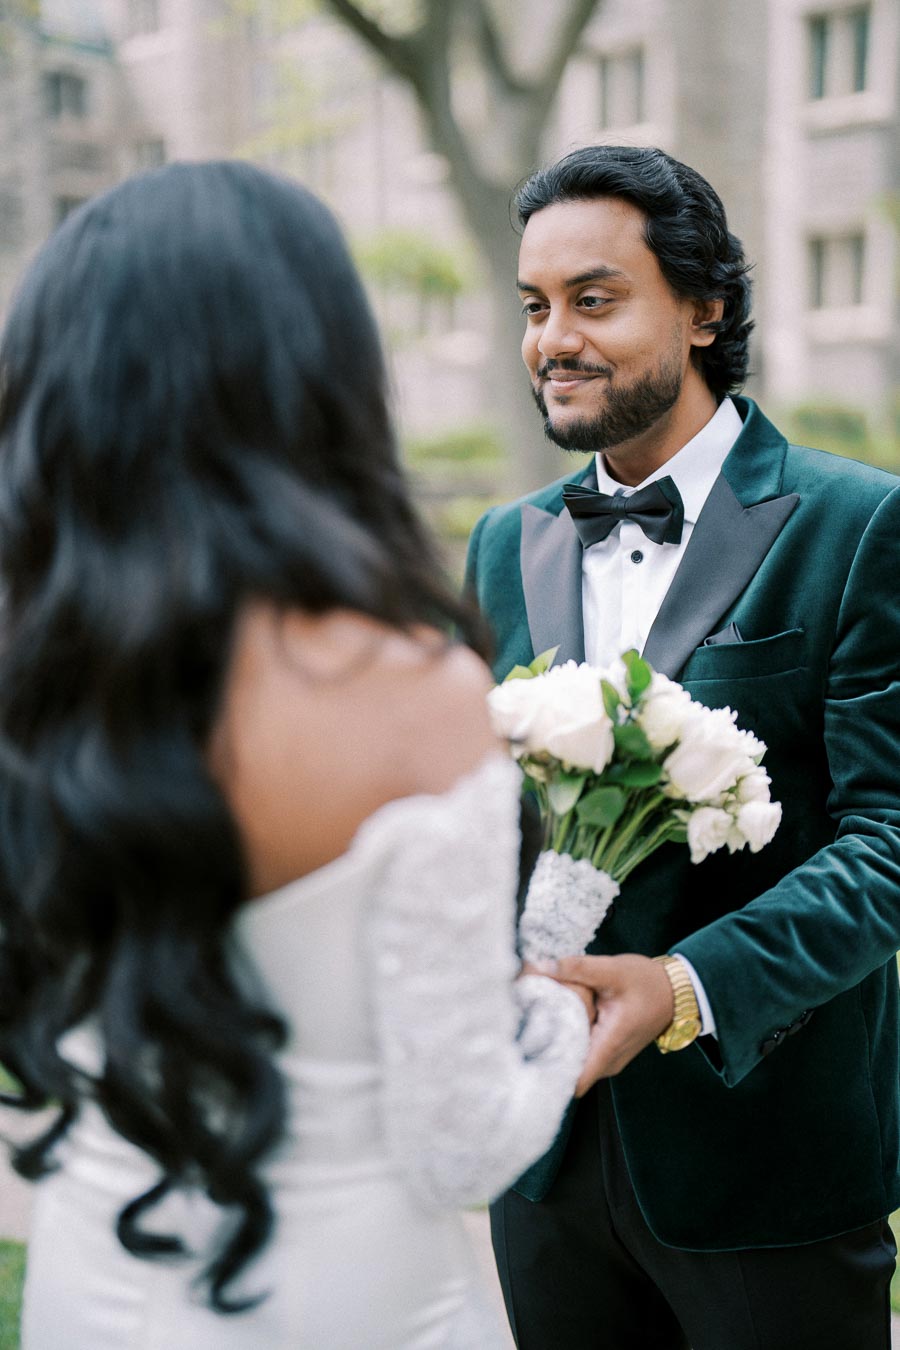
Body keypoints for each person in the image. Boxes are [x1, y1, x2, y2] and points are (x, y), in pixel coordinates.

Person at [0, 161, 592, 1349]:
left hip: (91, 1287)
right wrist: (554, 1016)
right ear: (315, 374)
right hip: (361, 1306)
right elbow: (462, 1140)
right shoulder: (409, 690)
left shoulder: (31, 671)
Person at [466, 144, 900, 1350]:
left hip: (766, 1162)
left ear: (706, 307)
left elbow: (891, 841)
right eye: (535, 307)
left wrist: (684, 988)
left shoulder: (860, 523)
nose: (554, 337)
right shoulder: (506, 544)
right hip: (541, 1166)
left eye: (593, 300)